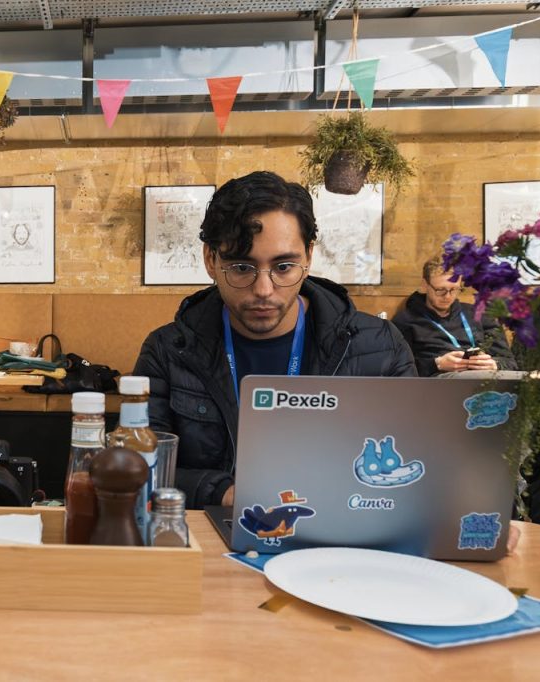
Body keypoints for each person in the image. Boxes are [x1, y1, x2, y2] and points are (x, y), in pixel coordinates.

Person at [133, 171, 415, 509]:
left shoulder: (379, 347)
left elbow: (413, 463)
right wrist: (225, 493)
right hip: (215, 530)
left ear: (308, 255)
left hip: (340, 529)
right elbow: (137, 466)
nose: (264, 290)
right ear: (210, 259)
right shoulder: (169, 351)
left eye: (283, 267)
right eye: (241, 268)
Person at [391, 256, 517, 377]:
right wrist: (437, 364)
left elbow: (511, 363)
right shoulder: (405, 321)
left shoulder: (479, 314)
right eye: (440, 290)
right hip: (439, 380)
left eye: (454, 289)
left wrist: (494, 364)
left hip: (486, 379)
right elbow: (398, 370)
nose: (447, 296)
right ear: (425, 285)